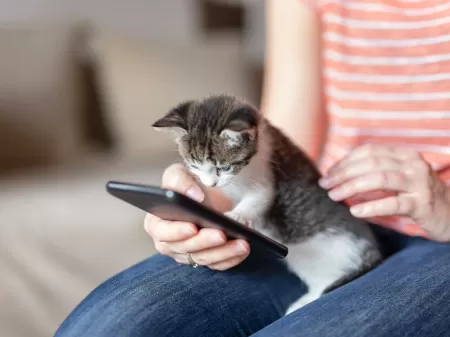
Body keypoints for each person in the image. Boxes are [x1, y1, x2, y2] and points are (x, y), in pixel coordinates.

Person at [55, 1, 450, 336]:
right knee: (112, 324)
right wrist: (200, 207)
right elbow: (275, 152)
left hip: (440, 241)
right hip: (312, 218)